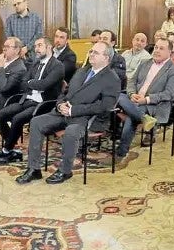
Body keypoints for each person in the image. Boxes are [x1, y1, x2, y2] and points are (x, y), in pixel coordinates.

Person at [15, 41, 120, 184]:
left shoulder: (112, 79)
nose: (91, 54)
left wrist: (73, 110)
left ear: (106, 58)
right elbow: (65, 92)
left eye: (95, 52)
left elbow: (105, 106)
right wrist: (60, 104)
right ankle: (34, 169)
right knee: (36, 122)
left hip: (87, 118)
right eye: (91, 51)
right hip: (63, 112)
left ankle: (65, 171)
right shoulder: (82, 71)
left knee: (71, 132)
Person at [0, 36, 64, 164]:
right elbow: (23, 83)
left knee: (17, 119)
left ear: (49, 47)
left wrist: (31, 83)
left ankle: (7, 150)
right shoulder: (36, 64)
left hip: (43, 104)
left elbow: (45, 85)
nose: (36, 49)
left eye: (40, 45)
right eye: (35, 46)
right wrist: (33, 83)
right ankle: (11, 148)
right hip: (27, 100)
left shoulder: (57, 66)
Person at [107, 37, 174, 163]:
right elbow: (131, 81)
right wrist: (132, 94)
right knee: (117, 95)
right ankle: (144, 118)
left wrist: (146, 99)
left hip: (154, 104)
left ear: (169, 52)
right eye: (156, 47)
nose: (156, 50)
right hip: (134, 99)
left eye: (161, 48)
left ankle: (121, 152)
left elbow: (169, 94)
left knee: (131, 118)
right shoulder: (144, 63)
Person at [5, 0, 43, 65]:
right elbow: (9, 37)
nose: (16, 6)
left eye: (18, 3)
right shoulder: (10, 19)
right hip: (16, 56)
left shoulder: (36, 18)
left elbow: (39, 36)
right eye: (14, 5)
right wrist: (19, 50)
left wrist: (27, 48)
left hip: (33, 56)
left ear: (26, 3)